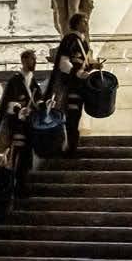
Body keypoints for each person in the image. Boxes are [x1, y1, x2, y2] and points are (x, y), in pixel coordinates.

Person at [0, 48, 43, 197]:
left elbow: (38, 99)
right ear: (24, 61)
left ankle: (22, 186)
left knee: (27, 156)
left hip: (30, 125)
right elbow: (7, 103)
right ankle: (15, 187)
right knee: (17, 156)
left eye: (35, 59)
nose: (34, 62)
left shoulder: (32, 80)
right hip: (17, 126)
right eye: (32, 59)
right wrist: (19, 110)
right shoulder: (15, 80)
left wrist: (43, 104)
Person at [51, 13, 94, 155]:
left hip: (79, 86)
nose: (87, 25)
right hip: (70, 86)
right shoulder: (70, 39)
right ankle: (69, 147)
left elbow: (82, 66)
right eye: (84, 22)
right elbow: (64, 63)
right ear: (76, 24)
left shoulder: (84, 43)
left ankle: (72, 146)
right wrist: (78, 73)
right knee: (71, 116)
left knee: (76, 115)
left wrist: (93, 66)